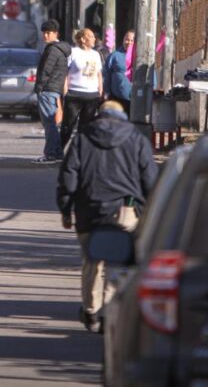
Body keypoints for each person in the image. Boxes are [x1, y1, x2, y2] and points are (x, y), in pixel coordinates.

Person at [56, 100, 158, 331]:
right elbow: (149, 179)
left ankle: (91, 311)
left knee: (92, 263)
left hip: (89, 211)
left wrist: (65, 209)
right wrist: (150, 210)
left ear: (99, 116)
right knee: (118, 262)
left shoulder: (82, 139)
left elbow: (68, 178)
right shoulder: (136, 139)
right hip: (125, 211)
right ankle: (110, 310)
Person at [33, 19, 72, 164]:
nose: (45, 36)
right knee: (52, 123)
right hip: (55, 88)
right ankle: (58, 153)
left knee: (49, 123)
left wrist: (39, 87)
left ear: (56, 33)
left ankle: (50, 153)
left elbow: (46, 70)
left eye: (48, 33)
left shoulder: (52, 50)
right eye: (44, 33)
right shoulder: (62, 49)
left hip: (48, 89)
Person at [60, 28, 104, 150]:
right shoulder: (73, 52)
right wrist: (65, 89)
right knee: (68, 125)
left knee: (86, 127)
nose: (94, 38)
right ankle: (60, 149)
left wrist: (100, 89)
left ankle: (80, 152)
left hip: (91, 95)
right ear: (83, 39)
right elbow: (65, 71)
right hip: (74, 94)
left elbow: (99, 73)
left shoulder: (96, 54)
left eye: (94, 36)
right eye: (90, 36)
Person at [104, 30, 134, 115]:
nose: (129, 42)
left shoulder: (141, 56)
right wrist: (106, 92)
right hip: (117, 97)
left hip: (136, 99)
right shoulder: (115, 55)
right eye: (127, 39)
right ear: (123, 40)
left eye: (132, 40)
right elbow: (107, 74)